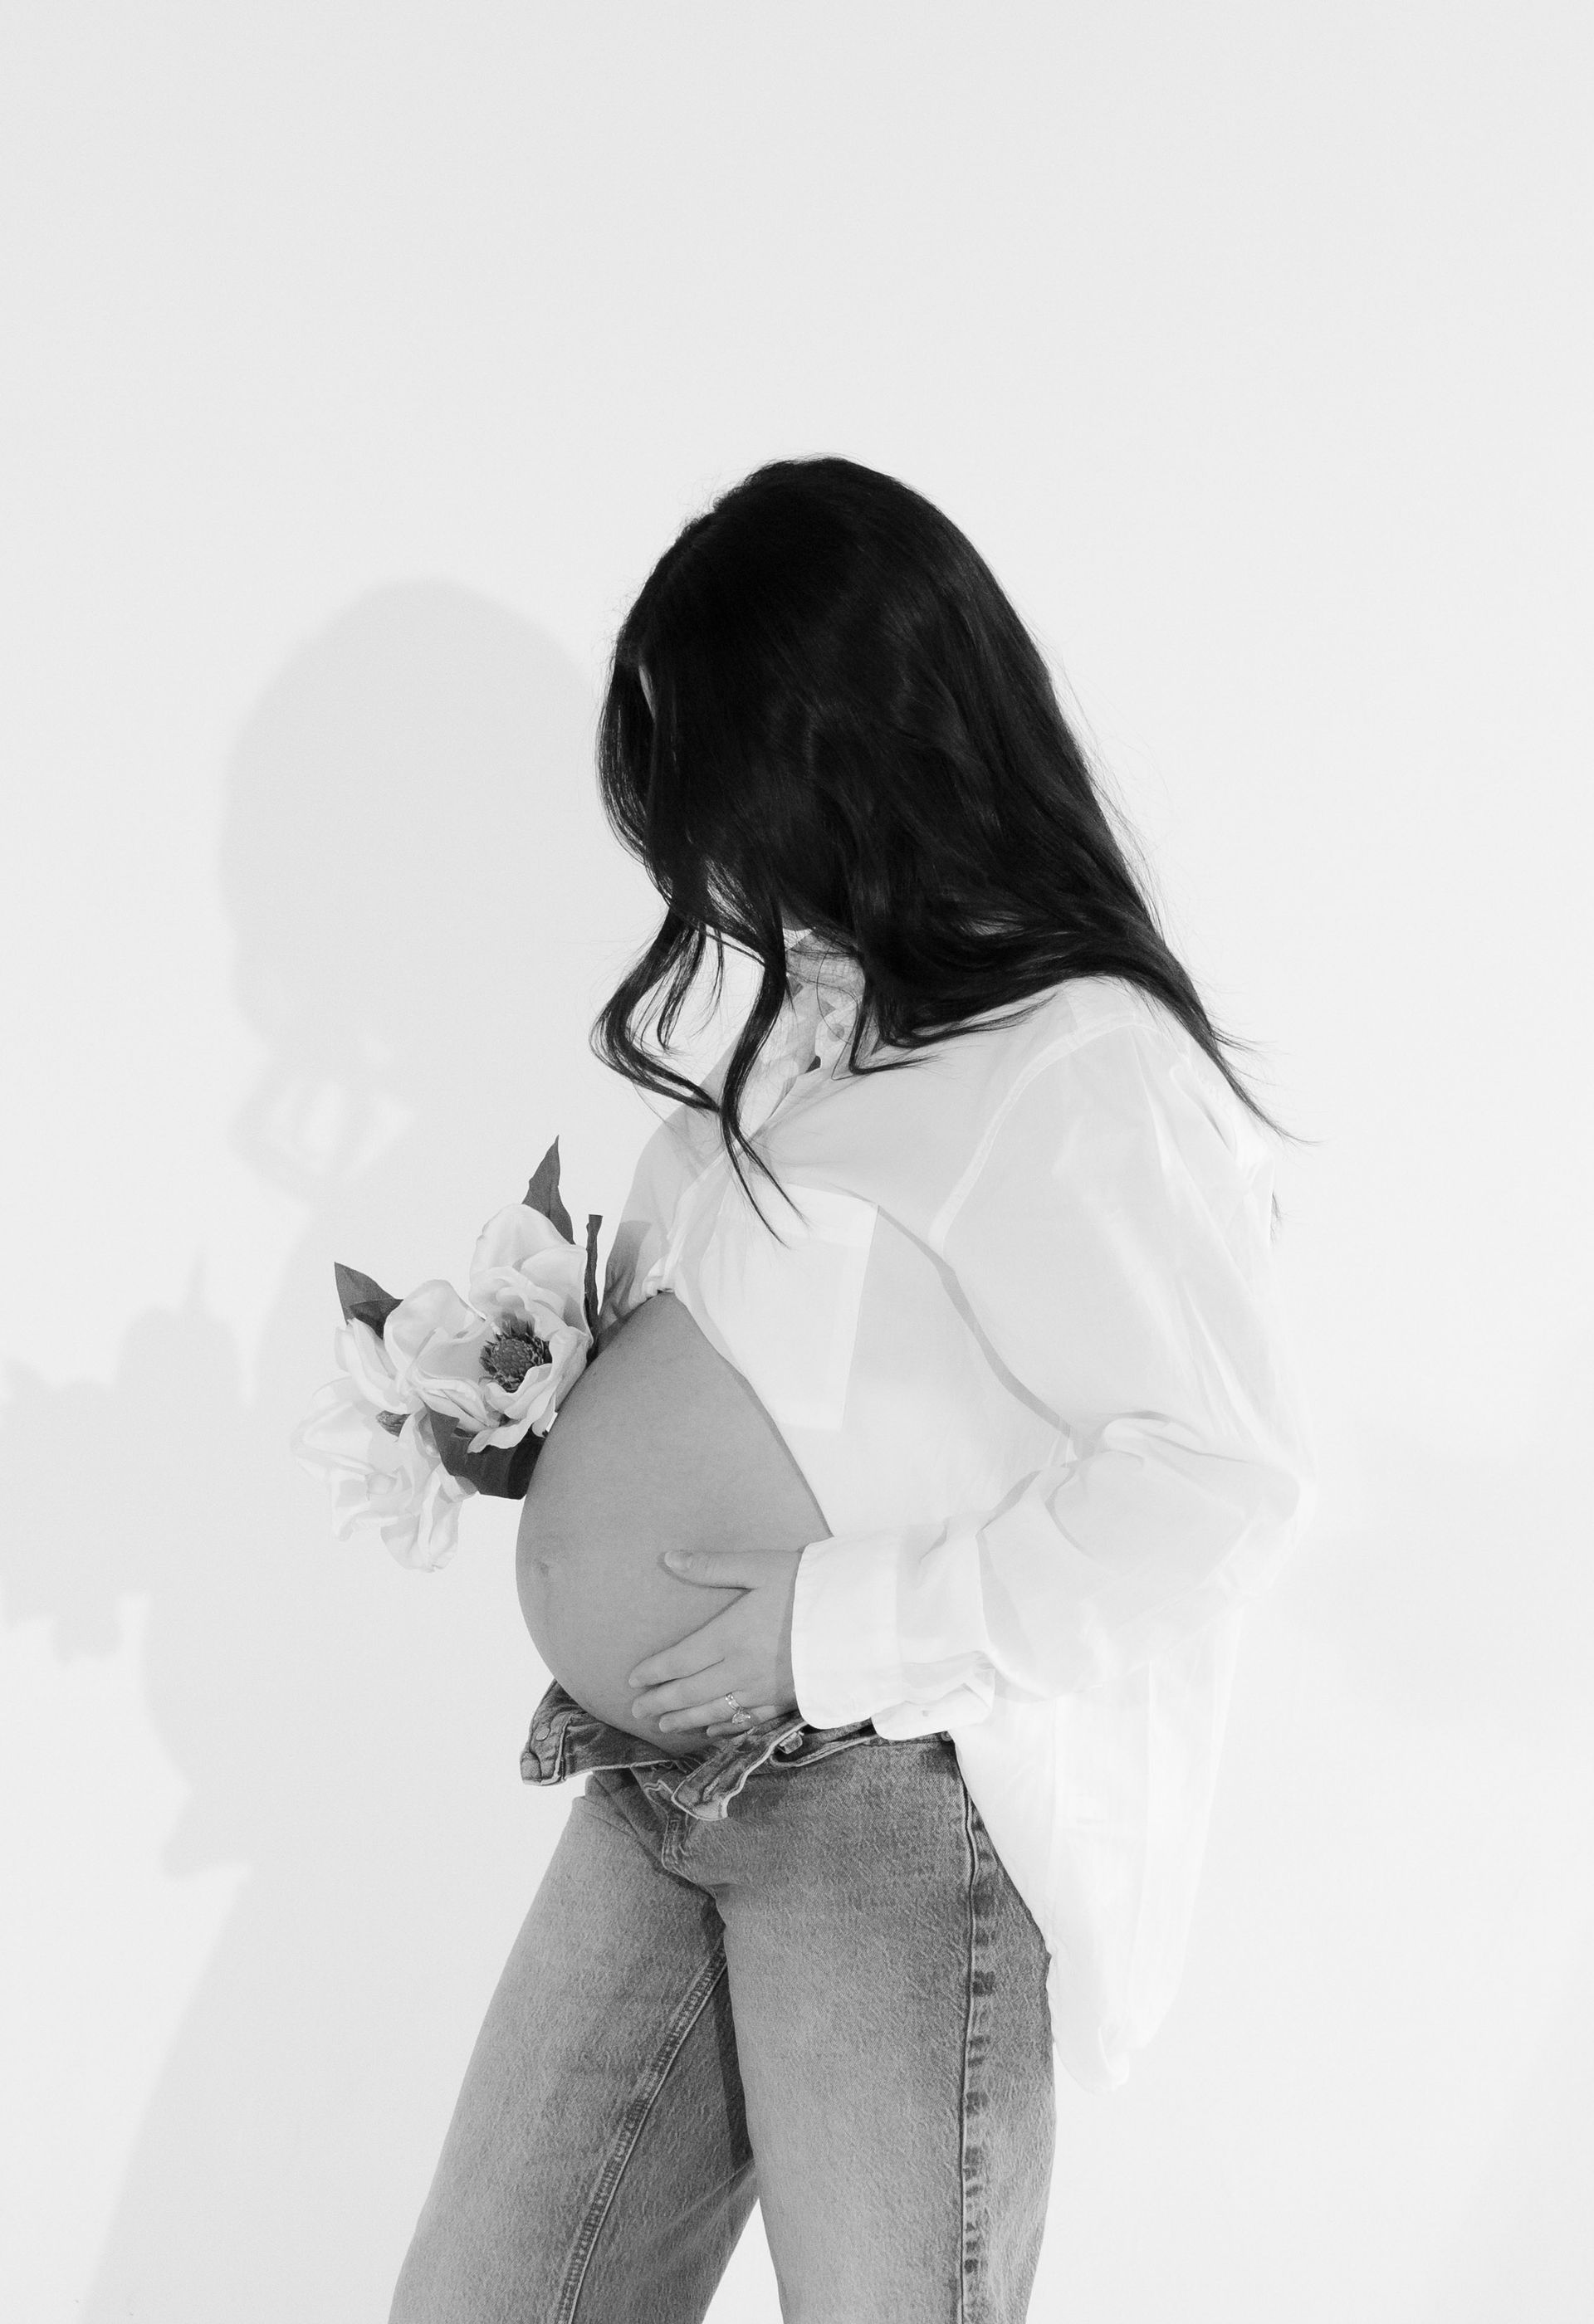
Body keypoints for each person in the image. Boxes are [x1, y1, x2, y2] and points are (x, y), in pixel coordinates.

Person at [389, 456, 1316, 2322]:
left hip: (878, 1811)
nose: (708, 868)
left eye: (724, 790)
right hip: (659, 1786)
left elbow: (1213, 1480)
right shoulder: (833, 1026)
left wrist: (828, 1618)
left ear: (856, 751)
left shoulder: (1077, 1064)